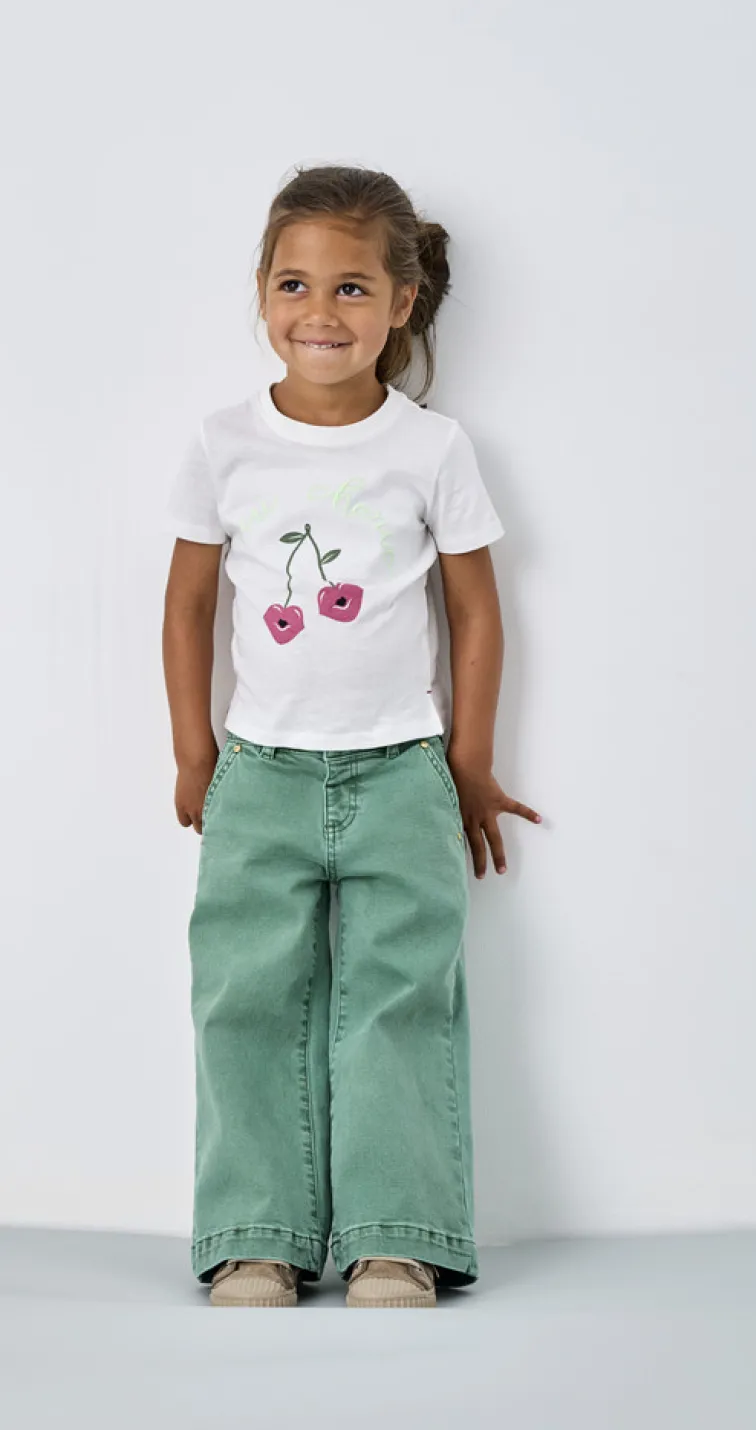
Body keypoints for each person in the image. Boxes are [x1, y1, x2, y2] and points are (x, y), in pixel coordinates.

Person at [162, 164, 541, 1309]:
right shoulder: (223, 443)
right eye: (293, 283)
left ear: (401, 302)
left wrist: (468, 761)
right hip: (259, 771)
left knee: (398, 997)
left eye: (351, 287)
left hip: (401, 771)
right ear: (261, 293)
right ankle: (255, 1234)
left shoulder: (431, 449)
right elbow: (187, 604)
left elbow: (475, 613)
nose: (319, 312)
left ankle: (396, 1234)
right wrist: (195, 752)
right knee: (245, 997)